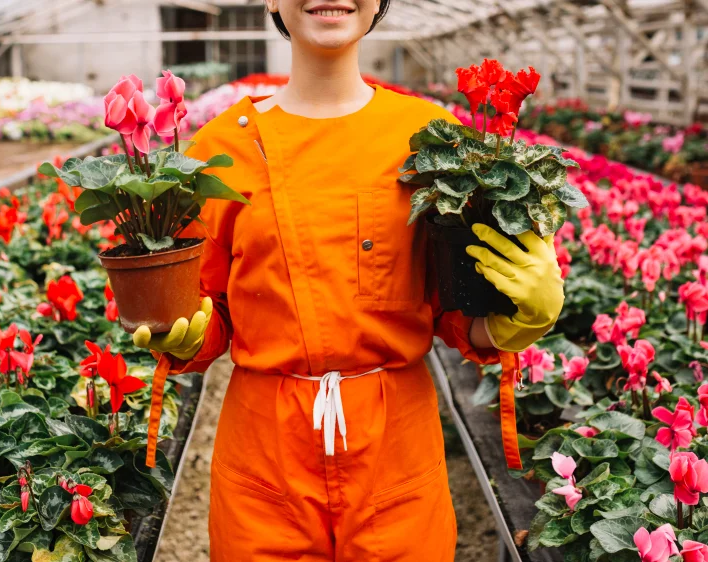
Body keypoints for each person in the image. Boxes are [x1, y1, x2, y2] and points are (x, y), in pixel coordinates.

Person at [132, 0, 564, 559]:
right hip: (264, 451)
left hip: (395, 445)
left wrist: (514, 321)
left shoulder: (431, 141)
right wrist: (186, 333)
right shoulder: (221, 148)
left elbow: (456, 317)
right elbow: (211, 310)